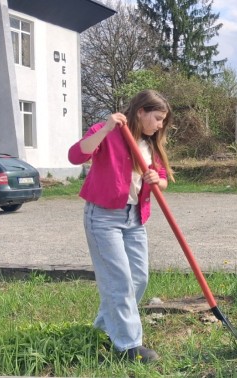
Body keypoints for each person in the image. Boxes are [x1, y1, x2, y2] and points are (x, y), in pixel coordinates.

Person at [67, 89, 174, 363]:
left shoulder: (150, 144)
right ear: (141, 112)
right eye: (157, 118)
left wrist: (156, 180)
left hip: (135, 218)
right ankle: (129, 346)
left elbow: (163, 179)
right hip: (103, 218)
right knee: (119, 281)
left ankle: (103, 328)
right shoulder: (107, 133)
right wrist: (105, 128)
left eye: (162, 120)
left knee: (139, 278)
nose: (160, 125)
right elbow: (76, 156)